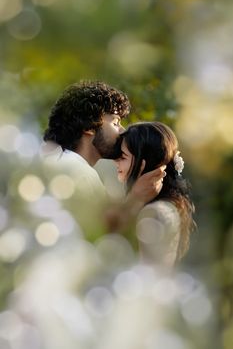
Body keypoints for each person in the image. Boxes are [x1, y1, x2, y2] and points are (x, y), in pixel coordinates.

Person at [42, 81, 166, 239]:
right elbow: (102, 236)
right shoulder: (78, 172)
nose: (122, 131)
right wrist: (137, 198)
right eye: (115, 122)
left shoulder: (64, 164)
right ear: (89, 126)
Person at [114, 121, 196, 267]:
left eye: (123, 157)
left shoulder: (155, 212)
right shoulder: (162, 205)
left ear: (145, 164)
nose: (116, 161)